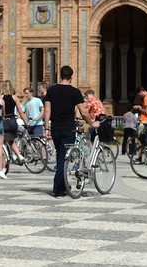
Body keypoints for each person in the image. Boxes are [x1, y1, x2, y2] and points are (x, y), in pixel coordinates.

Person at [44, 66, 99, 197]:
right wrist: (92, 123)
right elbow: (83, 111)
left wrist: (46, 127)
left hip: (56, 128)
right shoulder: (75, 92)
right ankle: (58, 188)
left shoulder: (51, 90)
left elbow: (47, 110)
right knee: (63, 158)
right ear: (71, 77)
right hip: (69, 128)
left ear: (60, 75)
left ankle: (61, 186)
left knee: (60, 157)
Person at [1, 81, 28, 163]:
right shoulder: (15, 97)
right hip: (13, 120)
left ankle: (4, 160)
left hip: (4, 120)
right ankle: (19, 156)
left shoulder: (0, 98)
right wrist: (26, 122)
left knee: (3, 141)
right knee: (11, 140)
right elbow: (20, 111)